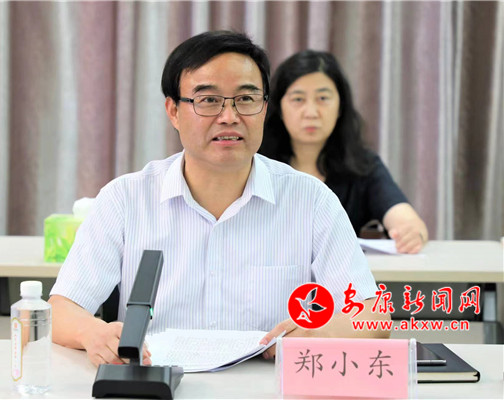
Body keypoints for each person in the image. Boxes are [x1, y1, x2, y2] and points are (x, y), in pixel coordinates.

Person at [49, 31, 389, 367]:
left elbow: (372, 314)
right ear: (173, 111)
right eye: (208, 100)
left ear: (265, 107)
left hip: (268, 387)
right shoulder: (125, 199)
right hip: (157, 383)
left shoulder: (311, 200)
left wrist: (321, 332)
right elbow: (63, 310)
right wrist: (93, 332)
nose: (229, 116)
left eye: (246, 99)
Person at [259, 50, 428, 254]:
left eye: (323, 98)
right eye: (298, 99)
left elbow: (403, 217)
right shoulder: (256, 164)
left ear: (340, 106)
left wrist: (411, 232)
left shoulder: (362, 166)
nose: (311, 113)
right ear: (279, 107)